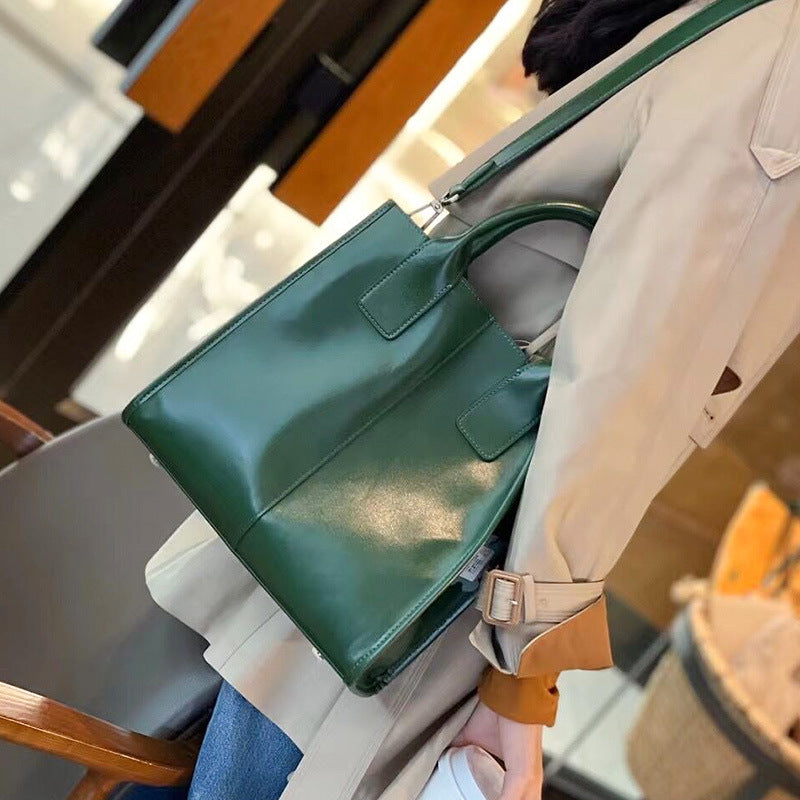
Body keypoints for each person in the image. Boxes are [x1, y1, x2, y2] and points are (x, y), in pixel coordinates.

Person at [144, 0, 800, 798]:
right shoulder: (787, 81)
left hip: (388, 488)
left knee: (181, 753)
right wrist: (525, 672)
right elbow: (624, 385)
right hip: (448, 535)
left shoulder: (760, 26)